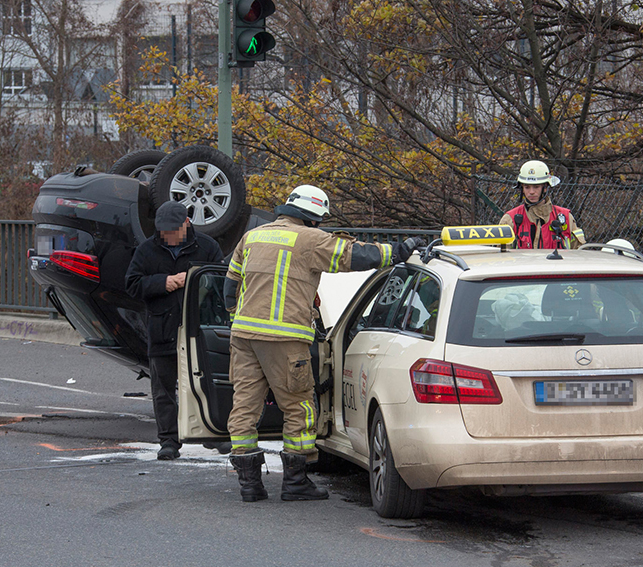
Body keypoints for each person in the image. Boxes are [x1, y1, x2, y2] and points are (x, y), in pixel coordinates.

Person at [224, 184, 421, 502]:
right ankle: (295, 483)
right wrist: (399, 250)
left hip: (243, 337)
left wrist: (239, 316)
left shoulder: (253, 236)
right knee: (299, 407)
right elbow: (356, 256)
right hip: (285, 339)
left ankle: (249, 485)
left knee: (245, 407)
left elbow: (228, 285)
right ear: (314, 217)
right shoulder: (309, 239)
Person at [125, 201, 224, 460]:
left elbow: (221, 282)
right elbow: (132, 285)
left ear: (186, 224)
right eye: (163, 231)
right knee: (164, 388)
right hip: (162, 329)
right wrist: (165, 282)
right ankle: (169, 441)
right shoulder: (147, 250)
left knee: (205, 384)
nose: (167, 236)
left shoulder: (207, 247)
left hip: (198, 329)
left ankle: (212, 433)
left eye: (173, 230)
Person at [499, 160, 586, 250]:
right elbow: (502, 257)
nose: (531, 192)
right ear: (522, 188)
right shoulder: (510, 219)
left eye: (536, 186)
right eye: (527, 187)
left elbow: (578, 254)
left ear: (545, 187)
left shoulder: (566, 217)